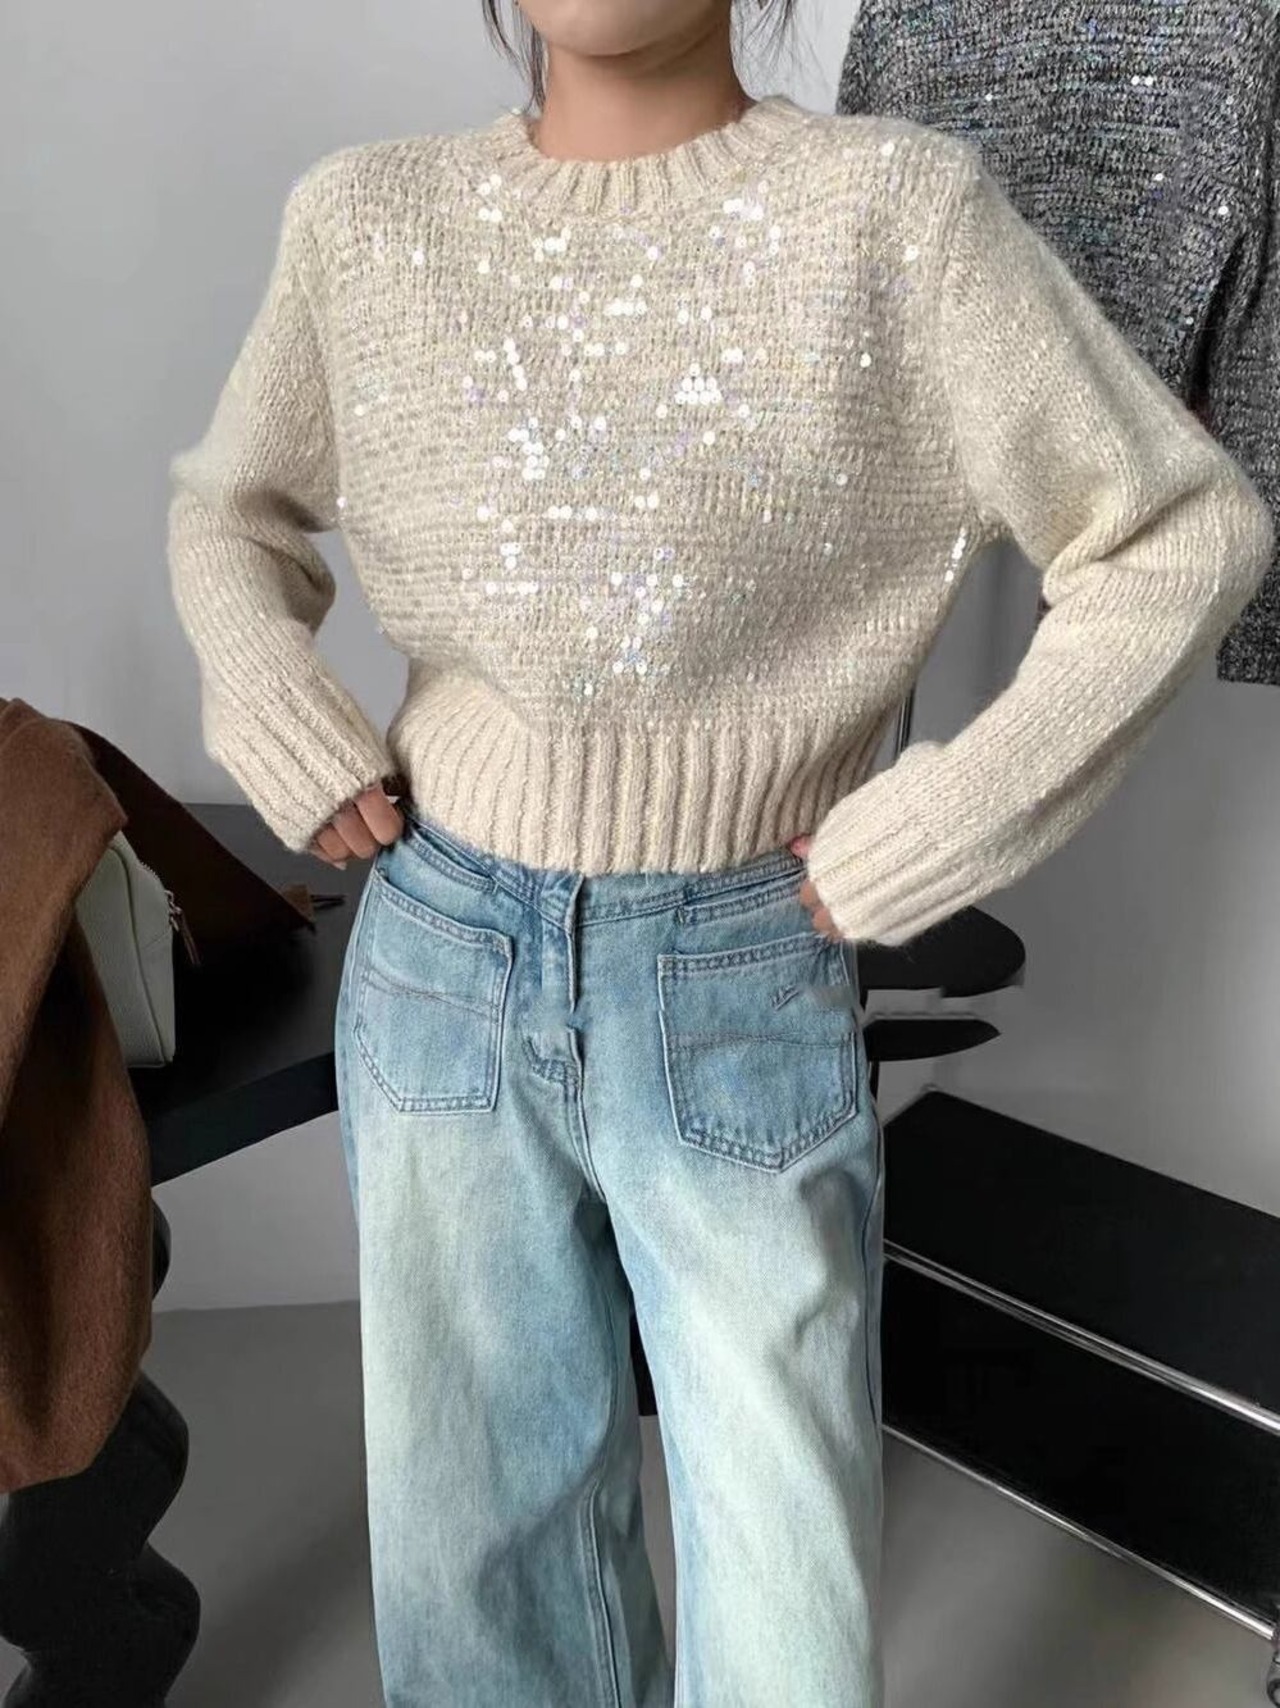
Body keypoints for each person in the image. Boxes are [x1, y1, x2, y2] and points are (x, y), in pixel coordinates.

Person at [164, 2, 1275, 1703]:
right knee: (475, 1543)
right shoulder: (367, 221)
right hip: (440, 954)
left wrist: (942, 823)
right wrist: (277, 712)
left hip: (740, 966)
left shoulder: (898, 215)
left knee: (780, 1556)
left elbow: (1177, 529)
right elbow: (227, 509)